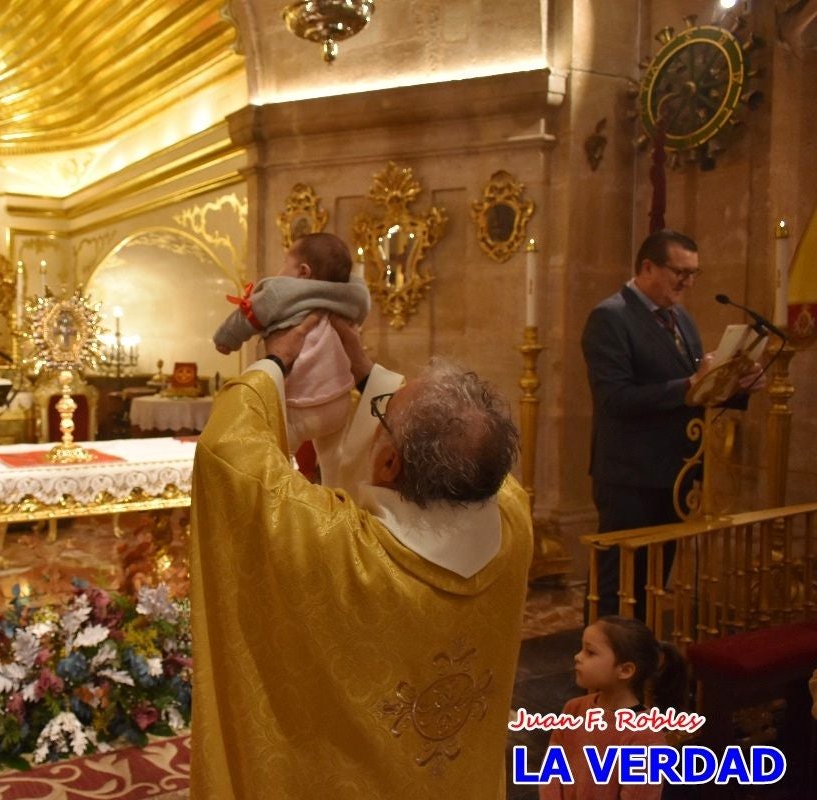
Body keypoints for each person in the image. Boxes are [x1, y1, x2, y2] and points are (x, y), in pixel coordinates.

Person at [190, 312, 534, 799]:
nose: (374, 416)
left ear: (390, 462)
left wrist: (275, 361)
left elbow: (231, 456)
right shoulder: (515, 522)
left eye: (381, 415)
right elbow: (472, 451)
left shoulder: (339, 548)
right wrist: (365, 371)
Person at [581, 229, 763, 621]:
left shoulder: (682, 319)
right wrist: (688, 385)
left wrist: (736, 386)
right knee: (616, 583)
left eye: (694, 273)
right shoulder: (611, 317)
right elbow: (615, 399)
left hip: (676, 472)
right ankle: (597, 665)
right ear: (648, 267)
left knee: (652, 581)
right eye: (679, 272)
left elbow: (698, 393)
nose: (688, 282)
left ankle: (637, 664)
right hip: (629, 473)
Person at [212, 232, 370, 472]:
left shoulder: (280, 293)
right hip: (339, 399)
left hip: (300, 401)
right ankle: (338, 498)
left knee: (276, 458)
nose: (280, 269)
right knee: (334, 461)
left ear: (304, 272)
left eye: (285, 262)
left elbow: (247, 316)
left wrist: (226, 339)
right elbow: (361, 311)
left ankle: (279, 501)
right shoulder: (349, 295)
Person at [539, 616, 687, 800]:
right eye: (581, 649)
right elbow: (551, 774)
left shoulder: (645, 735)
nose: (577, 657)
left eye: (590, 652)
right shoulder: (574, 709)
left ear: (625, 670)